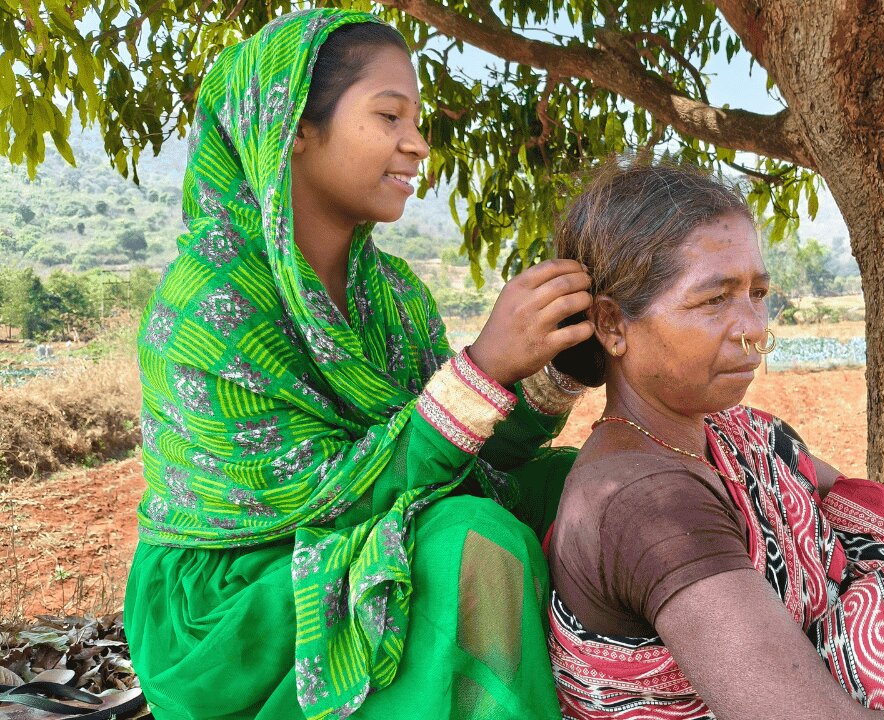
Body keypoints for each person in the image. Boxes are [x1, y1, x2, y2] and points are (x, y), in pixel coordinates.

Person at [124, 10, 594, 719]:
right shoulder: (204, 309)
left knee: (586, 483)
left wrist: (557, 368)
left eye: (417, 120)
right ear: (297, 129)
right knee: (471, 540)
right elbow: (338, 501)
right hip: (238, 604)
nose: (417, 145)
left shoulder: (394, 296)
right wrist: (484, 367)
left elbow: (457, 459)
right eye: (388, 115)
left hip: (375, 525)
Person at [544, 165, 884, 720]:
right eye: (714, 300)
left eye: (757, 292)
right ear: (613, 325)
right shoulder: (651, 502)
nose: (753, 326)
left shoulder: (738, 440)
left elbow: (852, 504)